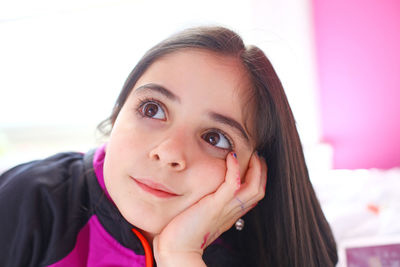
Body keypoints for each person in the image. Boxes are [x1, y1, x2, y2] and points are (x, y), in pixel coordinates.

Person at [0, 26, 338, 267]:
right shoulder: (29, 199)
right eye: (152, 109)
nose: (170, 152)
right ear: (118, 114)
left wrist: (181, 255)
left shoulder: (261, 252)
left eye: (214, 138)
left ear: (253, 172)